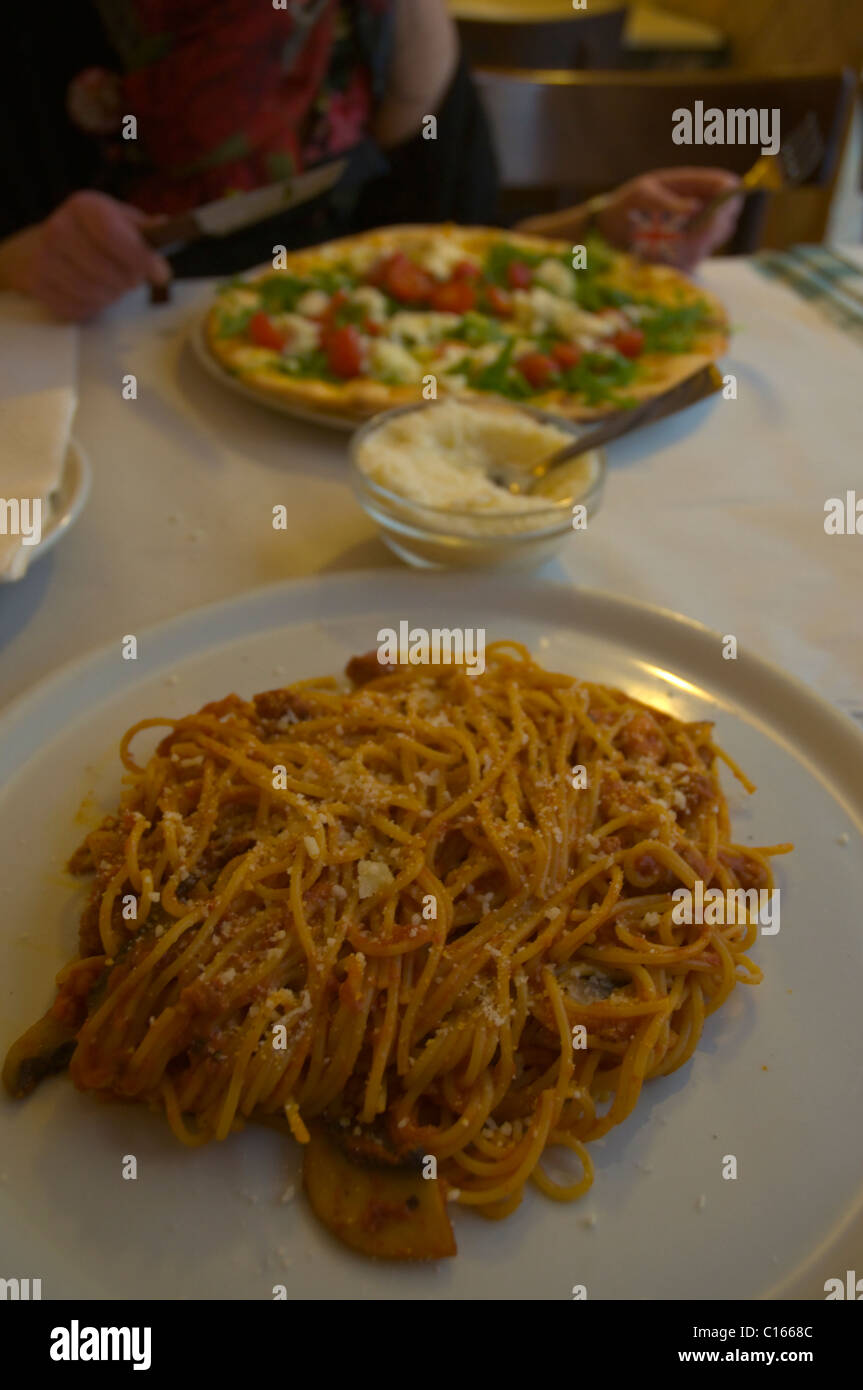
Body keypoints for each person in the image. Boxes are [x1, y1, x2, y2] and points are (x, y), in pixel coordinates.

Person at [0, 1, 740, 323]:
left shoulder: (391, 17)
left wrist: (597, 235)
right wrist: (24, 262)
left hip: (356, 443)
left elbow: (446, 249)